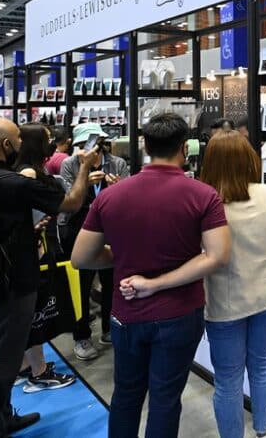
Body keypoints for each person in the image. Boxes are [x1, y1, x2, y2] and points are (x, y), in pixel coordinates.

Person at [71, 113, 230, 438]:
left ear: (145, 146)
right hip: (179, 313)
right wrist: (157, 283)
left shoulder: (111, 196)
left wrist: (123, 257)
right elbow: (217, 256)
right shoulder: (203, 195)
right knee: (165, 399)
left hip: (126, 313)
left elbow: (81, 258)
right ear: (185, 148)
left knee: (126, 396)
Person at [0, 117, 96, 437]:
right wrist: (85, 167)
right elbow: (71, 203)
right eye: (17, 138)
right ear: (6, 145)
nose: (20, 143)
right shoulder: (12, 182)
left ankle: (1, 416)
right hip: (11, 283)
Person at [199, 132, 266, 438]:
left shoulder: (205, 202)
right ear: (249, 159)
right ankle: (265, 430)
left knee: (228, 379)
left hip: (224, 304)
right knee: (263, 366)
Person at [13, 124, 77, 394]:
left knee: (29, 313)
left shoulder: (24, 171)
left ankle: (24, 366)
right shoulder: (28, 173)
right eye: (47, 139)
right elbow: (62, 205)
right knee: (35, 314)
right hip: (34, 251)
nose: (52, 143)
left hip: (33, 248)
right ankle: (38, 373)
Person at [60, 123, 130, 359]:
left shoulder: (116, 163)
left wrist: (117, 188)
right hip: (79, 227)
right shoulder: (70, 164)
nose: (90, 149)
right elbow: (69, 200)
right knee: (81, 283)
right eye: (84, 144)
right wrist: (85, 182)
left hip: (111, 227)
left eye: (94, 143)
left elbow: (128, 196)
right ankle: (81, 336)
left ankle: (110, 328)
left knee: (112, 281)